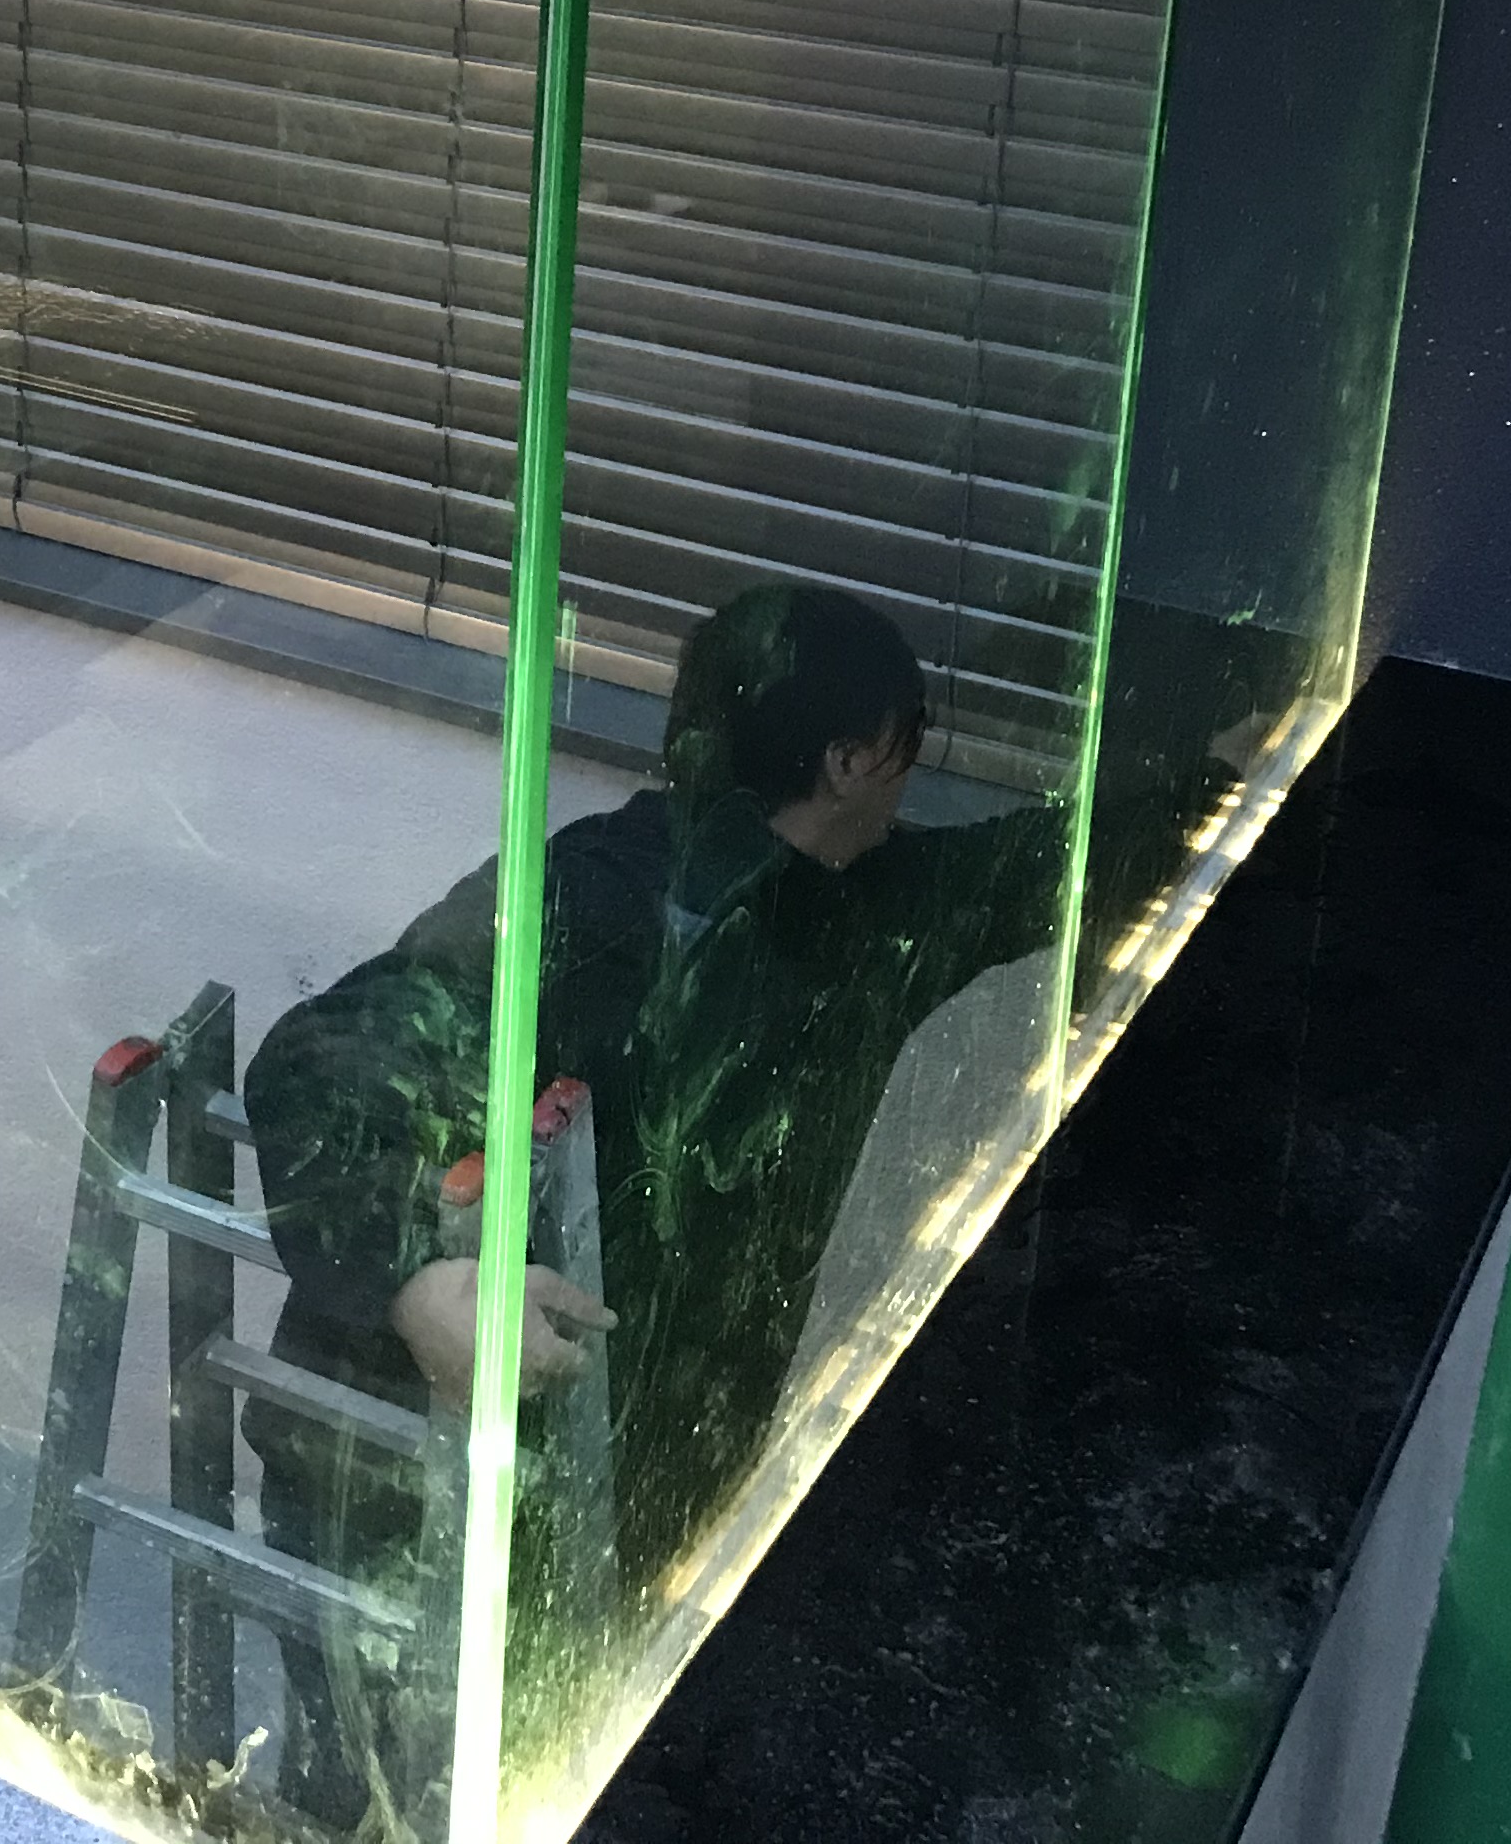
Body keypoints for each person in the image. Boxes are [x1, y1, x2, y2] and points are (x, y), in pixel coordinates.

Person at [238, 581, 1062, 1830]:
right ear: (848, 762)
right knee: (383, 1787)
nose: (912, 780)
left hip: (619, 1491)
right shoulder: (592, 903)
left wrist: (1215, 774)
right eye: (908, 748)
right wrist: (416, 1279)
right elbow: (321, 1059)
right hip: (419, 1498)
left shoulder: (869, 907)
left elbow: (1034, 866)